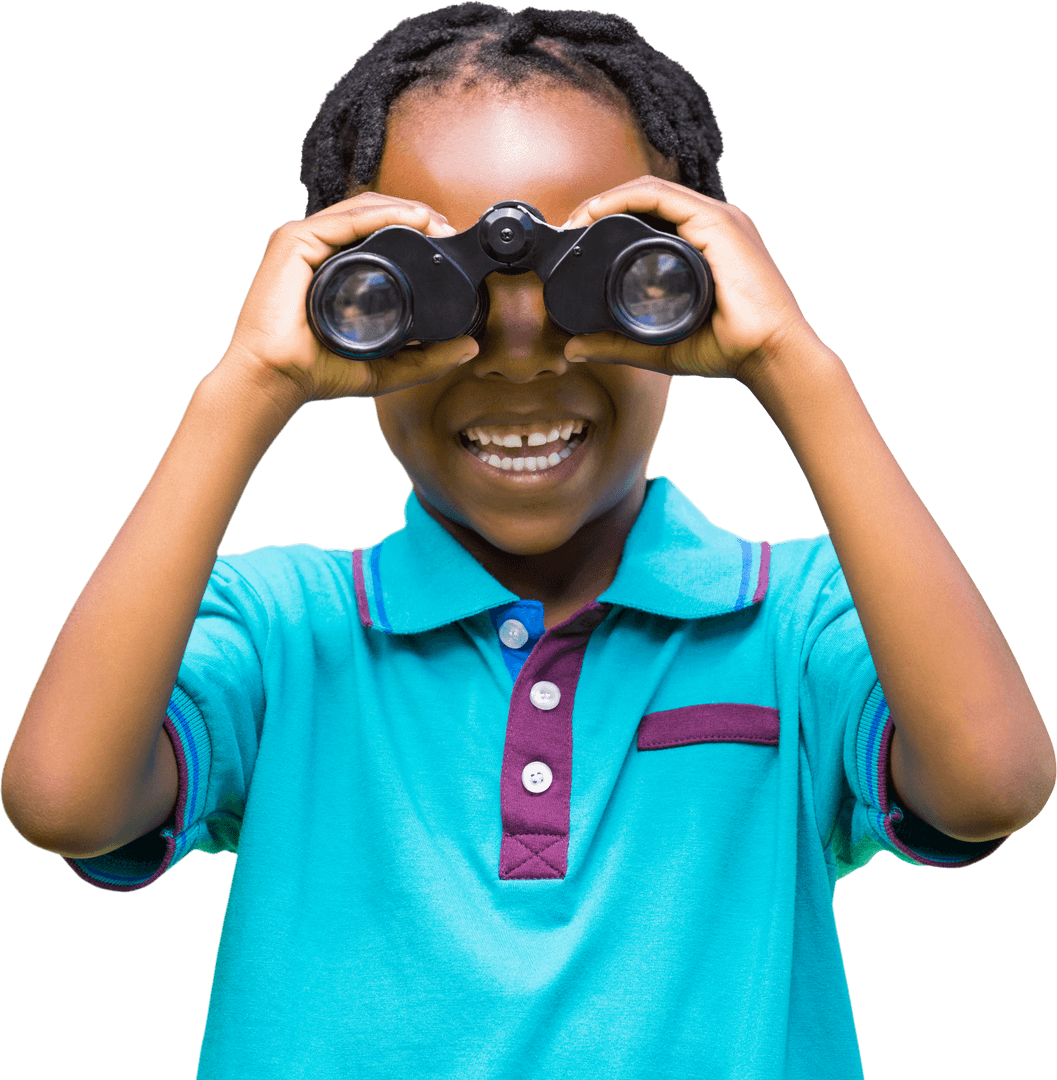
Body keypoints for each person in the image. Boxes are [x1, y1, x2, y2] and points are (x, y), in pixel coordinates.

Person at [3, 4, 1053, 1078]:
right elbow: (64, 800)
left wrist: (795, 364)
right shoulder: (280, 634)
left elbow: (989, 782)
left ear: (698, 279)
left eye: (609, 282)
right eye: (425, 288)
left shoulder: (795, 620)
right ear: (334, 297)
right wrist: (244, 389)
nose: (518, 360)